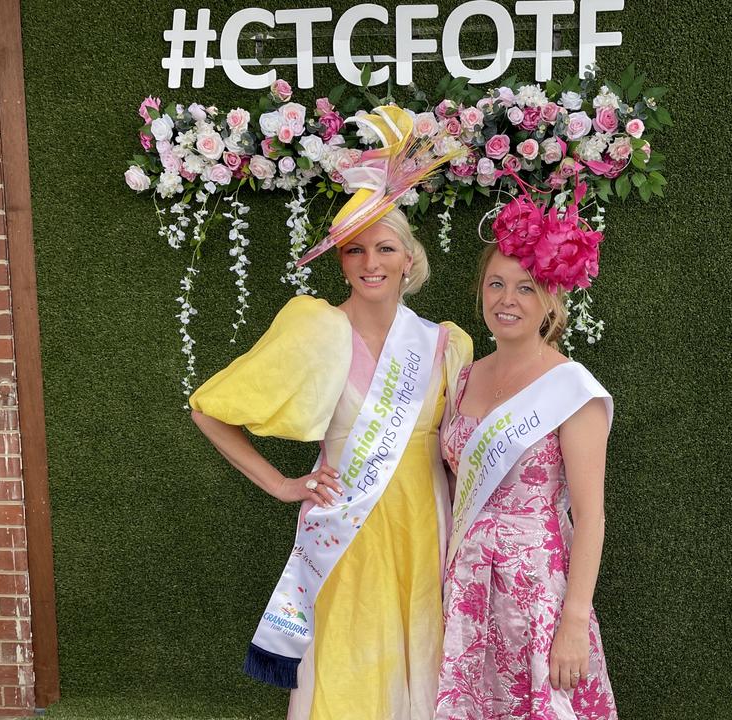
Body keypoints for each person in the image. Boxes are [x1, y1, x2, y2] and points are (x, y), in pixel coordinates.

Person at [189, 106, 470, 720]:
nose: (370, 262)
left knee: (424, 660)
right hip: (346, 527)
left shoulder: (448, 346)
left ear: (407, 259)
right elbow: (210, 410)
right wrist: (284, 484)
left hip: (428, 529)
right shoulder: (315, 330)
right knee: (346, 665)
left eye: (385, 247)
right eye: (354, 250)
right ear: (340, 261)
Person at [436, 174, 617, 719]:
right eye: (496, 284)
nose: (507, 300)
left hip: (537, 592)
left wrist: (574, 621)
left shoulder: (573, 389)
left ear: (551, 299)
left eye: (525, 287)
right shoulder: (463, 378)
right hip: (465, 584)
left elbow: (591, 518)